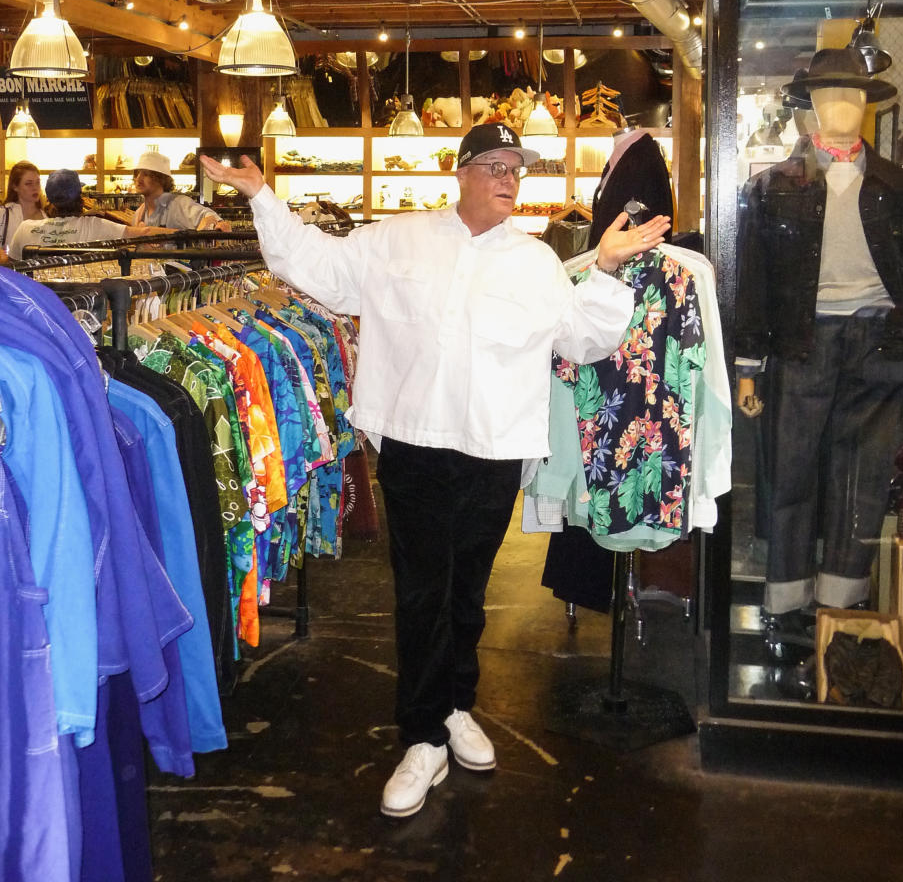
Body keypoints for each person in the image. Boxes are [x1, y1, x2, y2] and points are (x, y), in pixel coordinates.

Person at [199, 122, 670, 818]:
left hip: (494, 449)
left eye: (518, 168)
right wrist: (262, 196)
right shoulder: (396, 239)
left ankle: (454, 704)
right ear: (461, 172)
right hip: (415, 445)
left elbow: (586, 338)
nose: (510, 178)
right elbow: (320, 268)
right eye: (496, 166)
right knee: (422, 590)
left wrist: (601, 268)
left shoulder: (535, 261)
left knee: (468, 592)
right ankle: (422, 734)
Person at [734, 48, 903, 666]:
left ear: (868, 107)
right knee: (791, 474)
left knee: (860, 481)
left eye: (853, 95)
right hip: (801, 345)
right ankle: (785, 608)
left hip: (879, 344)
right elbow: (752, 284)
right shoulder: (771, 187)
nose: (841, 106)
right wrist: (749, 367)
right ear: (809, 109)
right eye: (828, 94)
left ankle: (842, 608)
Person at [7, 169, 172, 261]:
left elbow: (14, 267)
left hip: (37, 305)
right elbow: (146, 233)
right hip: (83, 305)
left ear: (49, 199)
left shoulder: (25, 228)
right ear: (81, 197)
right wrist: (189, 234)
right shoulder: (95, 225)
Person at [132, 150, 231, 231]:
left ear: (160, 178)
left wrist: (218, 224)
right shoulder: (139, 214)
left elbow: (208, 217)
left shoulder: (177, 204)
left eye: (146, 174)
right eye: (137, 174)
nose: (138, 179)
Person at [1, 161, 45, 254]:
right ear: (15, 187)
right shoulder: (3, 215)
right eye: (29, 183)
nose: (35, 188)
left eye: (37, 182)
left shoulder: (47, 215)